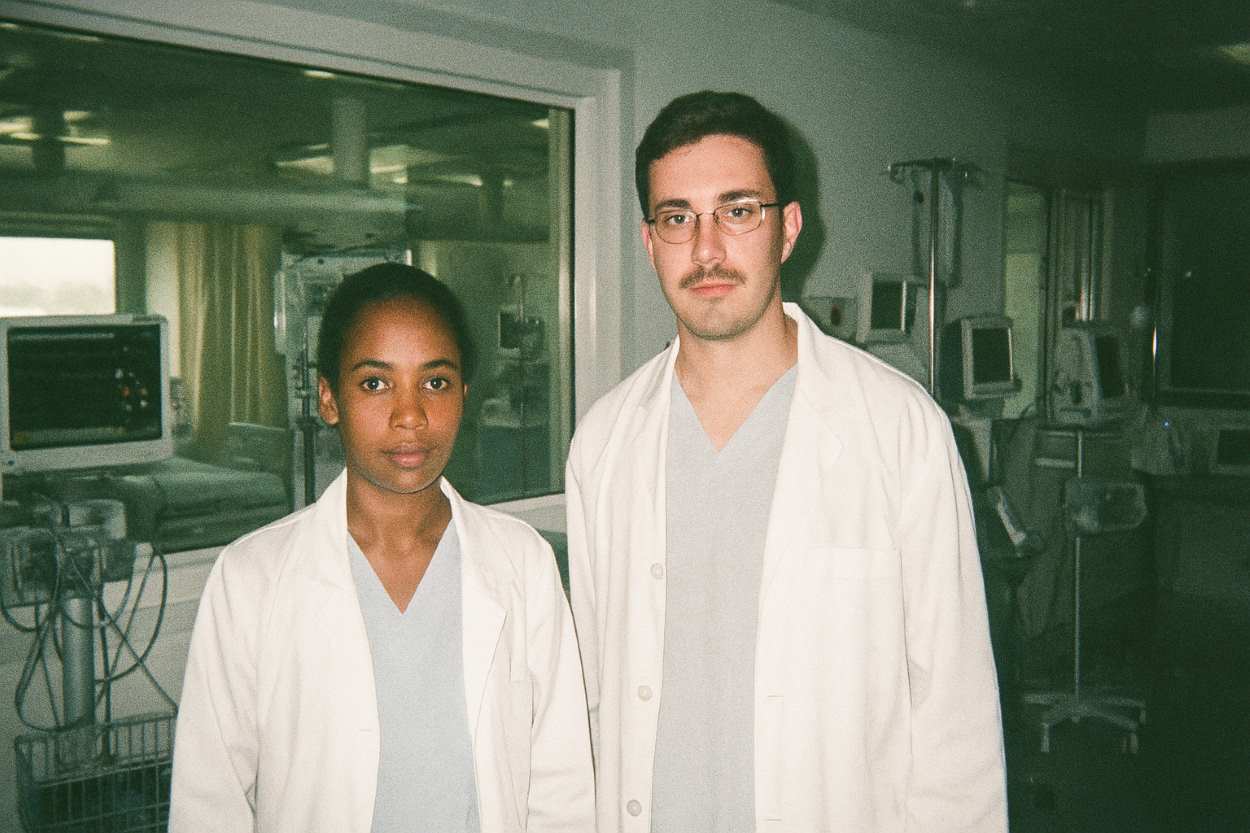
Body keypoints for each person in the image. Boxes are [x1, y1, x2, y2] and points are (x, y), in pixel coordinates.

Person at [566, 91, 1007, 832]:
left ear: (788, 228)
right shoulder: (605, 441)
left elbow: (955, 712)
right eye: (677, 218)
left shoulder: (899, 429)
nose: (706, 249)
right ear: (649, 241)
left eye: (737, 211)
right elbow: (591, 696)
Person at [170, 263, 593, 833]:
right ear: (328, 398)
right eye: (375, 383)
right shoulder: (252, 578)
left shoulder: (523, 562)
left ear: (465, 395)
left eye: (435, 382)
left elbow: (562, 784)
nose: (410, 415)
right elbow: (209, 800)